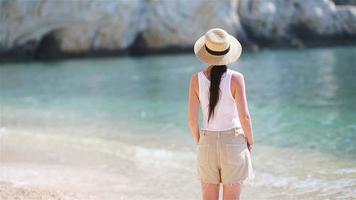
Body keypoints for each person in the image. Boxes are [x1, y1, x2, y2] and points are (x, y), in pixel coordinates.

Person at [188, 28, 255, 200]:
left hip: (206, 143)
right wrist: (250, 141)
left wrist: (201, 141)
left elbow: (192, 120)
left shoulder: (196, 79)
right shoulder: (236, 78)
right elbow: (245, 116)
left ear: (206, 52)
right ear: (228, 52)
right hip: (233, 143)